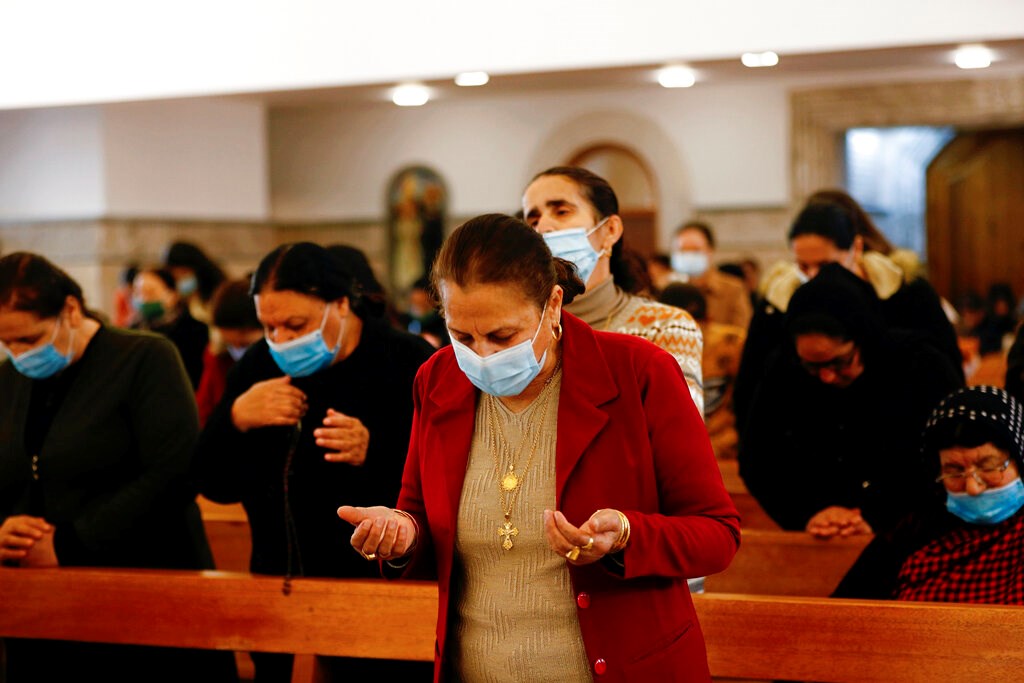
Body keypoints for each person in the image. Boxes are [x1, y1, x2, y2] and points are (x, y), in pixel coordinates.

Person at [338, 214, 740, 682]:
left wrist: (628, 534)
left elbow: (718, 533)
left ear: (552, 305)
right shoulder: (437, 379)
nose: (482, 354)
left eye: (502, 336)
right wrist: (402, 536)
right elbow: (420, 516)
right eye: (462, 335)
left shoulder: (639, 372)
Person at [194, 242, 435, 682]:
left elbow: (443, 481)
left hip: (376, 592)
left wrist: (376, 450)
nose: (281, 340)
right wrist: (236, 418)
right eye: (269, 327)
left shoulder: (407, 360)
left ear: (340, 303)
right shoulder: (258, 365)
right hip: (276, 587)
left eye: (296, 325)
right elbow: (212, 481)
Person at [0, 252, 236, 682]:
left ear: (70, 309)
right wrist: (4, 526)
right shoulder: (9, 378)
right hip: (45, 608)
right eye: (7, 343)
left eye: (29, 340)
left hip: (146, 586)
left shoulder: (144, 358)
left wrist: (69, 543)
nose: (18, 355)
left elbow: (173, 472)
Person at [738, 263, 963, 538]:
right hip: (817, 532)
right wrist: (811, 513)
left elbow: (941, 458)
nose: (827, 377)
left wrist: (878, 515)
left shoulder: (920, 365)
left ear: (863, 340)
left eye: (839, 362)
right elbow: (759, 458)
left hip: (910, 530)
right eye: (811, 366)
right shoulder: (783, 369)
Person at [733, 194, 963, 435]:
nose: (813, 276)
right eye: (803, 266)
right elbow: (750, 387)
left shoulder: (907, 294)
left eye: (825, 265)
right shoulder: (776, 304)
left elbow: (946, 376)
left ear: (856, 249)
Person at [521, 166, 704, 415]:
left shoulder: (665, 327)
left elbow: (679, 441)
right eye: (533, 219)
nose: (543, 227)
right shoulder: (519, 331)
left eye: (561, 211)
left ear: (610, 231)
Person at [834, 386, 1024, 603]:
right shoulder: (914, 531)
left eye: (989, 466)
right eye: (954, 472)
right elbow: (843, 613)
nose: (972, 487)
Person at [659, 282, 746, 460]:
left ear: (709, 320)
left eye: (691, 327)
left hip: (726, 451)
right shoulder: (649, 348)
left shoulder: (732, 344)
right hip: (672, 453)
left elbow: (749, 402)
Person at [195, 278, 264, 427]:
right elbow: (203, 411)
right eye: (231, 343)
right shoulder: (217, 356)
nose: (237, 349)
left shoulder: (278, 360)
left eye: (245, 343)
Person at [131, 267, 210, 389]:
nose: (142, 299)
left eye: (150, 293)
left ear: (171, 295)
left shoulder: (194, 330)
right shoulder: (131, 331)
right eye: (137, 292)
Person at [671, 221, 752, 329]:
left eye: (695, 250)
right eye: (682, 250)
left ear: (710, 251)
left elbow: (741, 334)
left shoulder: (733, 290)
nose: (688, 256)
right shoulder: (667, 289)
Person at [163, 240, 227, 324]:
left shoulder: (219, 294)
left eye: (184, 272)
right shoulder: (175, 301)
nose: (180, 280)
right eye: (175, 276)